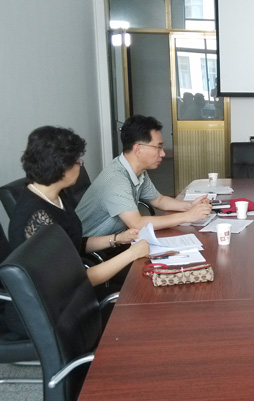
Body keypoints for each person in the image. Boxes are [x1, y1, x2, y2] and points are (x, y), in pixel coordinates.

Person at [6, 126, 150, 338]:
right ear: (60, 167)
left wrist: (117, 239)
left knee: (144, 285)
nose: (81, 165)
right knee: (141, 304)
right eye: (77, 161)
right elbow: (72, 281)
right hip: (53, 313)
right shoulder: (35, 217)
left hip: (74, 295)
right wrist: (131, 254)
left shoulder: (56, 195)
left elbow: (73, 243)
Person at [76, 115, 212, 237]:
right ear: (138, 149)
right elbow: (137, 223)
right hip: (93, 247)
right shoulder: (116, 179)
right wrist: (187, 216)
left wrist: (190, 206)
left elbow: (159, 200)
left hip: (120, 237)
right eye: (158, 147)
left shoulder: (138, 171)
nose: (163, 154)